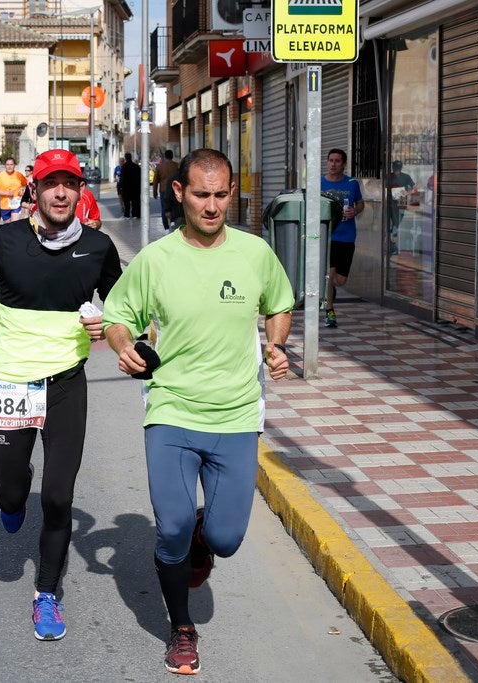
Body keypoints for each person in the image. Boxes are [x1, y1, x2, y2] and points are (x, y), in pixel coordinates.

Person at [102, 148, 293, 676]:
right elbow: (119, 314)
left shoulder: (255, 253)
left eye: (221, 194)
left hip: (235, 415)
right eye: (201, 194)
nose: (212, 206)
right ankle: (181, 628)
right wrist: (124, 345)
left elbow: (279, 303)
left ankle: (203, 536)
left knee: (226, 540)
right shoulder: (156, 259)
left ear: (232, 193)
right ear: (179, 192)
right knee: (172, 527)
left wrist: (276, 346)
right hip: (171, 409)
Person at [0, 148, 122, 643]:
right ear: (33, 190)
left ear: (80, 190)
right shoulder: (5, 241)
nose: (61, 191)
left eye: (70, 183)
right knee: (11, 492)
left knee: (59, 497)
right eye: (50, 183)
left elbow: (128, 309)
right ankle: (13, 498)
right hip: (12, 383)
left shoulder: (99, 248)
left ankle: (46, 593)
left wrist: (113, 327)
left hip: (66, 383)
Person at [319, 148, 363, 328]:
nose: (333, 164)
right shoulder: (319, 183)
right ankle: (329, 310)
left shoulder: (352, 183)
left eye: (337, 161)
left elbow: (360, 203)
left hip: (347, 236)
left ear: (343, 164)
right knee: (329, 275)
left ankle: (331, 290)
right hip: (328, 235)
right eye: (330, 160)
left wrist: (355, 210)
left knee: (340, 279)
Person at [386, 160, 414, 254]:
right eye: (395, 169)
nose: (396, 171)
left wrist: (406, 193)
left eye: (398, 169)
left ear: (401, 168)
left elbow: (413, 188)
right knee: (391, 225)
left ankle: (392, 245)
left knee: (396, 224)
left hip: (401, 202)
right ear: (393, 168)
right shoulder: (388, 176)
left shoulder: (406, 177)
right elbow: (382, 188)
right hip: (389, 203)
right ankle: (392, 246)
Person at [0, 157, 28, 224]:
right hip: (4, 205)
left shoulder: (19, 175)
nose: (9, 166)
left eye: (11, 164)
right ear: (5, 166)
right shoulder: (0, 176)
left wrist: (22, 189)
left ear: (14, 165)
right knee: (8, 225)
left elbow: (25, 184)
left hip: (16, 204)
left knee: (14, 224)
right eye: (7, 165)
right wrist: (6, 193)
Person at [153, 150, 181, 231]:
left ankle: (166, 227)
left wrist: (155, 193)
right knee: (174, 206)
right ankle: (173, 222)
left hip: (163, 190)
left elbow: (155, 181)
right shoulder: (176, 165)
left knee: (164, 208)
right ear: (172, 156)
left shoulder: (160, 167)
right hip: (175, 189)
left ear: (165, 156)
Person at [119, 152, 141, 218]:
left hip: (126, 188)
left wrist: (121, 188)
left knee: (126, 203)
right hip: (135, 188)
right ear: (131, 157)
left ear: (125, 158)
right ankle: (136, 214)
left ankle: (127, 215)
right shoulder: (136, 167)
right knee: (135, 202)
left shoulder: (124, 167)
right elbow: (140, 177)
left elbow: (122, 178)